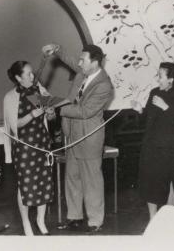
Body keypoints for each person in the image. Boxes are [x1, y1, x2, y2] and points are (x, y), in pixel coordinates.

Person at [58, 44, 113, 232]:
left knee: (91, 181)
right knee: (72, 177)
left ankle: (95, 221)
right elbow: (72, 61)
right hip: (72, 136)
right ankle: (74, 216)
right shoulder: (83, 73)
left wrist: (59, 109)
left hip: (89, 138)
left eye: (83, 60)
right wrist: (57, 50)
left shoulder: (104, 85)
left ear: (95, 63)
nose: (79, 63)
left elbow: (85, 111)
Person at [3, 60, 56, 236]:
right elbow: (14, 125)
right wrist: (33, 114)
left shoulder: (40, 91)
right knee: (26, 185)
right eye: (28, 74)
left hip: (42, 143)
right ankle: (26, 222)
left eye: (33, 73)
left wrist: (50, 113)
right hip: (24, 147)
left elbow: (51, 116)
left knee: (44, 183)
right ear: (18, 77)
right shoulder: (10, 97)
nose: (33, 77)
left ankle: (40, 220)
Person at [134, 62, 174, 220]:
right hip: (150, 145)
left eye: (160, 76)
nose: (157, 79)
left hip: (168, 149)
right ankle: (153, 218)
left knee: (165, 183)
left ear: (171, 79)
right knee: (148, 182)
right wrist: (140, 110)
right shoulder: (154, 92)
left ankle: (169, 219)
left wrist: (166, 107)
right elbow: (148, 118)